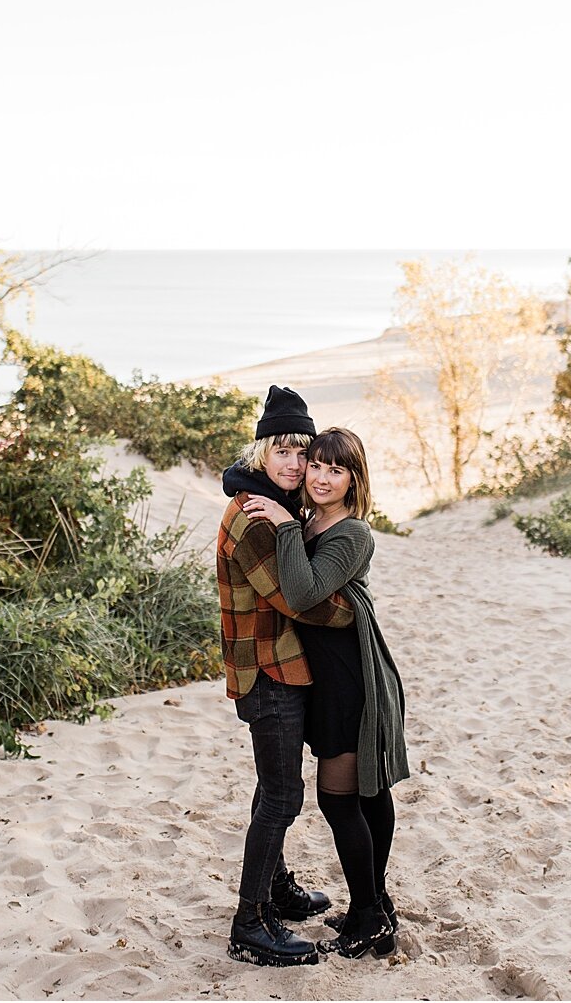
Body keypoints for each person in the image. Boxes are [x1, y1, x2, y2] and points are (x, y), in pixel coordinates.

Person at [239, 425, 408, 959]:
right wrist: (290, 518)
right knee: (365, 794)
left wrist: (288, 526)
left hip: (349, 681)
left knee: (343, 800)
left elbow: (305, 589)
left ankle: (367, 915)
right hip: (325, 676)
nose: (321, 476)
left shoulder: (352, 533)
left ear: (354, 479)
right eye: (317, 465)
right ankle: (376, 904)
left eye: (337, 470)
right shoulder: (312, 521)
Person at [216, 386, 354, 967]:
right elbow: (295, 598)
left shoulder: (277, 505)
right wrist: (350, 610)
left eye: (305, 453)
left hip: (280, 666)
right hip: (267, 672)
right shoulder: (254, 516)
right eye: (285, 452)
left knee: (274, 788)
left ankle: (275, 888)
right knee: (281, 796)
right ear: (262, 452)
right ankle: (249, 924)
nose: (296, 465)